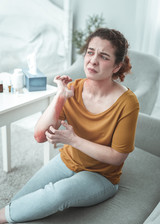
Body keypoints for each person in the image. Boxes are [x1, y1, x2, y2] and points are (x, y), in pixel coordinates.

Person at [0, 28, 139, 223]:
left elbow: (117, 157)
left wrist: (74, 140)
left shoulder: (127, 103)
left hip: (101, 176)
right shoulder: (73, 89)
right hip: (67, 161)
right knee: (18, 203)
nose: (93, 60)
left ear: (116, 66)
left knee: (57, 194)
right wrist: (59, 97)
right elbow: (39, 136)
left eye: (104, 56)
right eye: (90, 52)